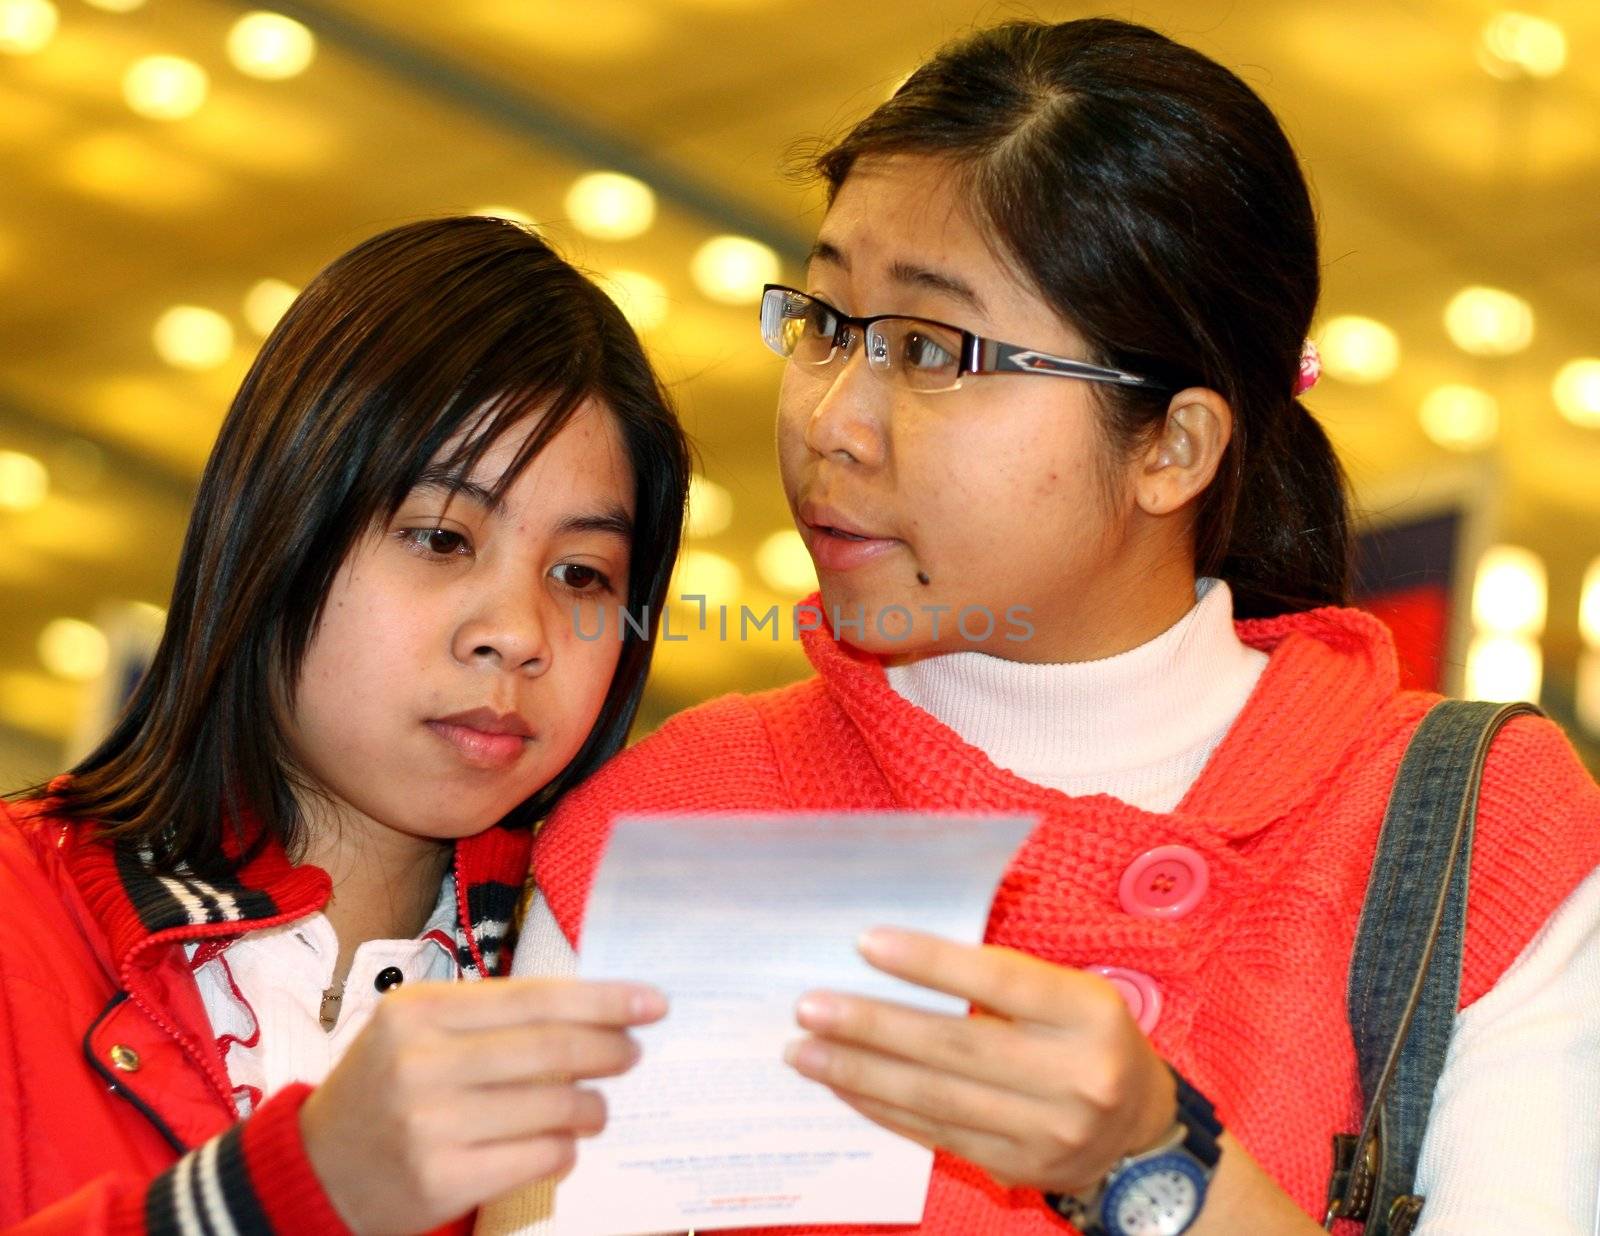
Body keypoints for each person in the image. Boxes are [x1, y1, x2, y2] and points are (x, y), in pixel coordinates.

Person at [486, 19, 1600, 1236]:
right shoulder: (686, 812)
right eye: (823, 322)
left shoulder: (1470, 829)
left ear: (1172, 447)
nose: (832, 422)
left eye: (928, 349)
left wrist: (1152, 1165)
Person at [0, 216, 691, 1235]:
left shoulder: (629, 1004)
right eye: (441, 537)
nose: (515, 633)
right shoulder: (24, 922)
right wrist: (289, 1191)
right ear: (277, 522)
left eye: (581, 573)